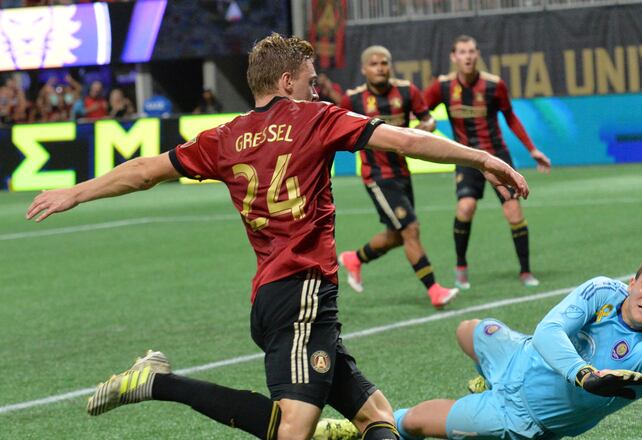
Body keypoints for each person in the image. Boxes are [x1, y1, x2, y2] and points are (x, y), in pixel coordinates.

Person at [26, 33, 529, 440]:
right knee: (294, 428)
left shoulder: (223, 137)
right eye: (310, 82)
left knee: (378, 419)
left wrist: (78, 192)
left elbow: (144, 170)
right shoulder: (317, 118)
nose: (316, 90)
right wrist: (482, 157)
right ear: (287, 81)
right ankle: (159, 382)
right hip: (302, 294)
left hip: (276, 298)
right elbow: (407, 140)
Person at [315, 254, 642, 440]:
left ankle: (366, 425)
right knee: (468, 328)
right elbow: (548, 333)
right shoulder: (604, 290)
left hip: (522, 416)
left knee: (417, 423)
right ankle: (490, 375)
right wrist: (585, 375)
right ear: (632, 282)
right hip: (525, 353)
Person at [423, 35, 552, 290]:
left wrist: (532, 149)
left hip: (496, 156)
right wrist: (425, 122)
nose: (468, 56)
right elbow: (421, 110)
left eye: (472, 51)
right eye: (462, 52)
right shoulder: (442, 86)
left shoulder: (494, 86)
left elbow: (511, 118)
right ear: (453, 57)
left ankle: (525, 271)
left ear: (477, 54)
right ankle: (461, 267)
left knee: (513, 210)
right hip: (466, 157)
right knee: (465, 208)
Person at [337, 45, 457, 309]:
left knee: (396, 234)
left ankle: (354, 259)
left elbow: (428, 119)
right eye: (374, 64)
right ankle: (435, 290)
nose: (380, 67)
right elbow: (336, 132)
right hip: (376, 175)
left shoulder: (406, 91)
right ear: (364, 69)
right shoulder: (353, 99)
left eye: (384, 63)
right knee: (410, 229)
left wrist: (427, 125)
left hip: (402, 172)